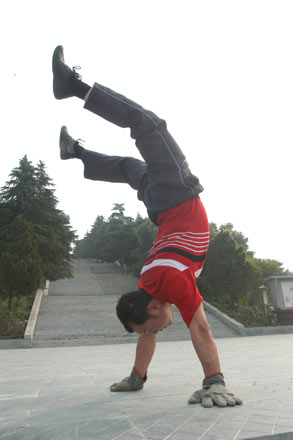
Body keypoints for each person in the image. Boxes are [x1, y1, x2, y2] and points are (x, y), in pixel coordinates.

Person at [52, 45, 243, 408]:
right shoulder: (146, 285)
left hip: (174, 194)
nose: (155, 333)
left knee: (147, 125)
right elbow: (146, 333)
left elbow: (199, 327)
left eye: (151, 328)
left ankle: (74, 86)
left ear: (153, 309)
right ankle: (75, 151)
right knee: (127, 167)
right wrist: (137, 378)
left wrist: (213, 382)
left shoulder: (170, 283)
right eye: (149, 332)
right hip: (157, 203)